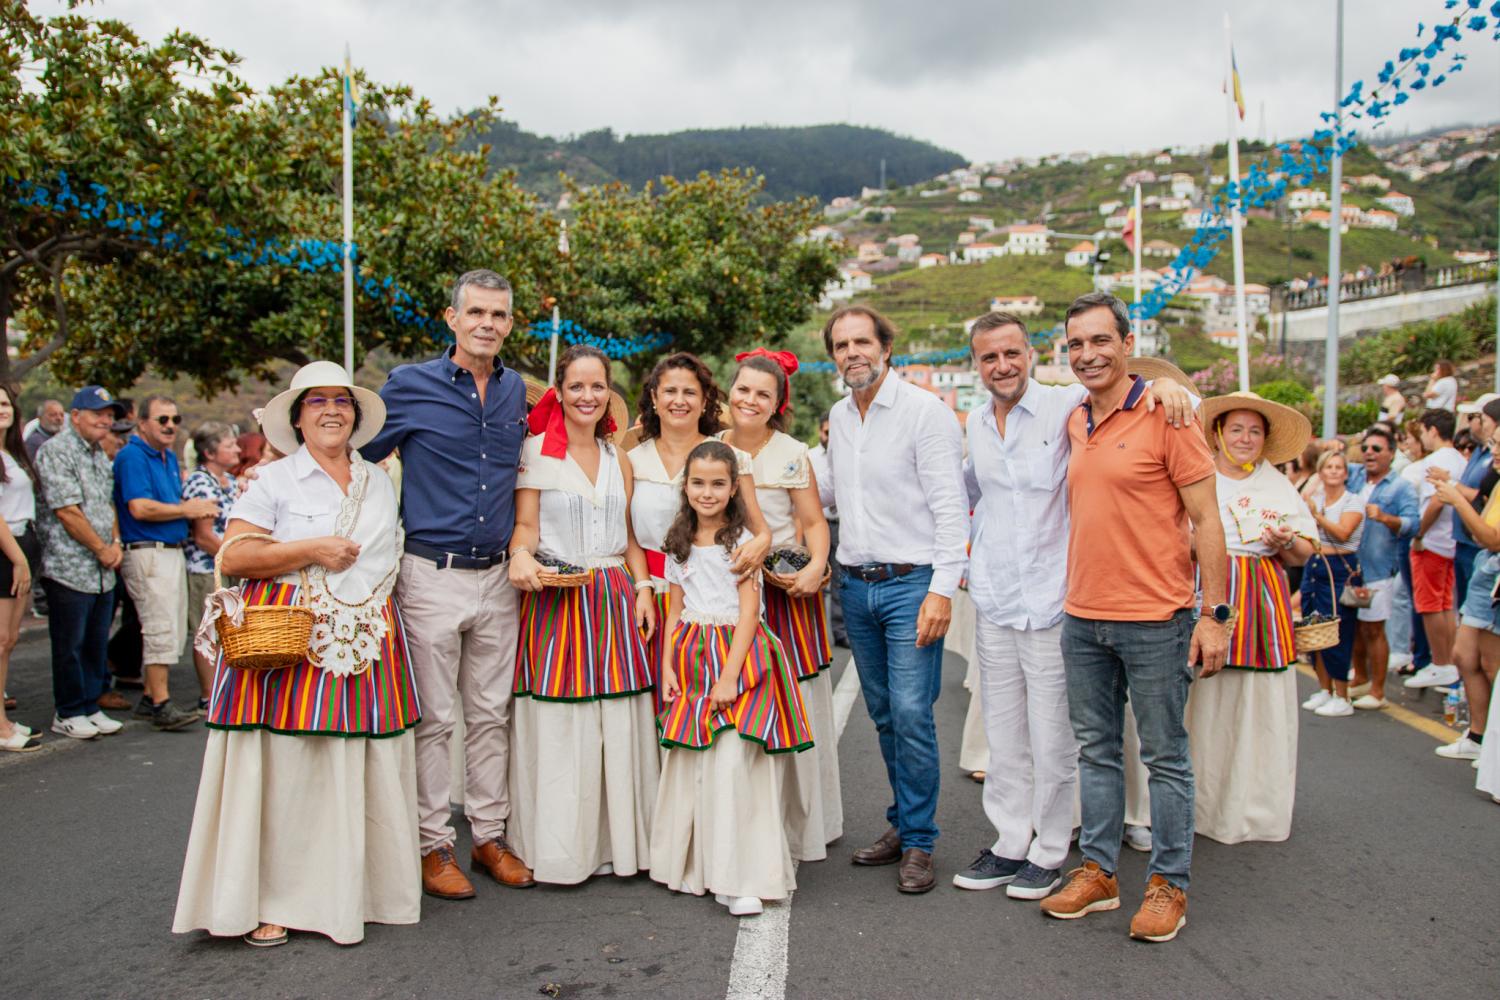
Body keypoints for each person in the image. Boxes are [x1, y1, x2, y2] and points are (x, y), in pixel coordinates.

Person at [174, 361, 420, 947]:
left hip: (366, 640)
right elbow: (233, 556)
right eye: (317, 401)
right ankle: (274, 900)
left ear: (355, 415)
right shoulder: (274, 480)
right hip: (289, 641)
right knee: (288, 774)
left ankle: (355, 893)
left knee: (355, 769)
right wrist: (310, 549)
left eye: (342, 400)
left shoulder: (379, 480)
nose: (331, 410)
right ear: (296, 417)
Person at [952, 313, 1194, 899]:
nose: (1002, 366)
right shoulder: (977, 424)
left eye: (1012, 353)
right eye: (989, 357)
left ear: (1031, 354)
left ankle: (1050, 848)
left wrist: (1168, 385)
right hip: (995, 598)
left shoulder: (1066, 405)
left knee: (1054, 736)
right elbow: (971, 491)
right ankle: (1010, 841)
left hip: (1054, 599)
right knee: (1004, 732)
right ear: (976, 365)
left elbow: (1149, 397)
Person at [1039, 293, 1227, 945]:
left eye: (1100, 340)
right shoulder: (1075, 418)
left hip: (1156, 618)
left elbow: (1207, 521)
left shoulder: (1169, 415)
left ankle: (1169, 883)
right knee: (1096, 751)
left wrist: (1215, 615)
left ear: (1126, 344)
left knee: (1165, 756)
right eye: (1076, 344)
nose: (1087, 354)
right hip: (1082, 617)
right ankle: (1099, 872)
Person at [359, 269, 534, 898]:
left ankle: (488, 837)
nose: (488, 323)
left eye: (499, 314)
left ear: (509, 323)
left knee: (490, 716)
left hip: (500, 577)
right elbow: (358, 458)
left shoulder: (517, 392)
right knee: (433, 719)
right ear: (452, 318)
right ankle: (433, 846)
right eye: (476, 312)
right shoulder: (410, 386)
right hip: (430, 573)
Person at [818, 305, 969, 895]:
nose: (852, 353)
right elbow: (826, 490)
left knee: (910, 712)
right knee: (883, 714)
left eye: (862, 341)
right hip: (855, 585)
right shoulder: (839, 416)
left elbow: (952, 508)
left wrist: (941, 590)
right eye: (841, 345)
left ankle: (921, 842)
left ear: (885, 347)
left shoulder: (925, 413)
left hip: (912, 585)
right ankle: (903, 824)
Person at [506, 346, 658, 885]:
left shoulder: (621, 458)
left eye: (597, 386)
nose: (587, 396)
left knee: (615, 719)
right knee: (561, 722)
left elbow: (632, 536)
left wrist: (643, 588)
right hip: (557, 596)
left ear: (608, 392)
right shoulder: (535, 452)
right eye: (576, 386)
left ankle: (619, 844)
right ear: (559, 391)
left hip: (614, 595)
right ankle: (561, 848)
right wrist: (520, 555)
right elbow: (526, 527)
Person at [648, 440, 812, 917]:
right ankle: (702, 867)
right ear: (686, 487)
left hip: (737, 658)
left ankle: (741, 875)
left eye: (718, 484)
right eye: (698, 483)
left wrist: (729, 677)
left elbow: (748, 614)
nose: (707, 492)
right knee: (698, 766)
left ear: (733, 488)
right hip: (691, 657)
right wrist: (667, 666)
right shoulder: (678, 541)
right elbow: (674, 610)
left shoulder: (741, 542)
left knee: (736, 764)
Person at [719, 348, 842, 862]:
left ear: (777, 404)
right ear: (730, 391)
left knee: (792, 702)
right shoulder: (712, 444)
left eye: (762, 394)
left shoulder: (792, 452)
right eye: (743, 389)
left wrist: (816, 566)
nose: (750, 400)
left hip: (784, 591)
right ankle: (740, 824)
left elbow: (813, 522)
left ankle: (797, 826)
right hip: (726, 591)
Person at [1186, 392, 1315, 844]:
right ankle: (1198, 803)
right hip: (1207, 590)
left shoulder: (1277, 485)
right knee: (1202, 701)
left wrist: (1285, 541)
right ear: (1219, 433)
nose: (1245, 438)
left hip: (1262, 598)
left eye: (1255, 431)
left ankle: (1252, 805)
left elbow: (1304, 551)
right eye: (1237, 429)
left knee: (1257, 704)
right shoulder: (1198, 474)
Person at [626, 352, 772, 681]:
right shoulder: (631, 459)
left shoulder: (728, 458)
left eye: (689, 392)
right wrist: (643, 587)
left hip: (708, 600)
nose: (679, 401)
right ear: (654, 397)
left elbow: (760, 532)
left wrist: (758, 547)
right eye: (670, 391)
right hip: (643, 595)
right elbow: (628, 536)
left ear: (705, 401)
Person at [113, 395, 210, 731]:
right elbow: (139, 507)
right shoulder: (133, 456)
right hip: (147, 549)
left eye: (175, 419)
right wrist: (187, 509)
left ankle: (150, 698)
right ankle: (161, 704)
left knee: (171, 627)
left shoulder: (166, 456)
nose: (170, 426)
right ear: (142, 423)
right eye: (162, 419)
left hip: (169, 549)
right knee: (159, 626)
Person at [36, 387, 127, 740]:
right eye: (97, 414)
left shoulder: (97, 453)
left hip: (101, 568)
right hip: (69, 566)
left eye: (109, 415)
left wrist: (115, 543)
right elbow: (67, 511)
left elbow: (106, 504)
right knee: (69, 645)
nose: (105, 421)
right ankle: (69, 710)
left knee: (94, 642)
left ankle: (90, 704)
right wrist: (101, 548)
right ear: (75, 416)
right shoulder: (56, 451)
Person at [1430, 431, 1500, 762]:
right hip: (1486, 571)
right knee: (1464, 655)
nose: (1493, 450)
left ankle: (1492, 748)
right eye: (1494, 443)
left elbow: (1492, 538)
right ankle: (1477, 736)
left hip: (1494, 574)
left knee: (1491, 665)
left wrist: (1456, 498)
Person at [1349, 426, 1419, 710]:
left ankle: (1378, 691)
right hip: (1350, 567)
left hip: (1378, 568)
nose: (1369, 453)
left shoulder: (1401, 486)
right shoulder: (1354, 477)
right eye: (1365, 448)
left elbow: (1413, 524)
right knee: (1355, 627)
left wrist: (1385, 518)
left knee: (1374, 629)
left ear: (1391, 453)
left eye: (1376, 449)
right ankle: (1361, 678)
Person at [1405, 410, 1470, 690]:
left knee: (1430, 604)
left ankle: (1441, 663)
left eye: (1422, 432)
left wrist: (1420, 533)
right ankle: (1446, 662)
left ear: (1432, 430)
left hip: (1432, 541)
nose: (1422, 438)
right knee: (1443, 603)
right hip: (1449, 541)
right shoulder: (1458, 459)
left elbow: (1436, 502)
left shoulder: (1436, 461)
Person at [1300, 451, 1366, 717]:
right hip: (1314, 565)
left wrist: (1317, 517)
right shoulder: (1314, 499)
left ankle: (1343, 694)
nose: (1334, 471)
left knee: (1338, 631)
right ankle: (1324, 688)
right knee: (1312, 627)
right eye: (1328, 467)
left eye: (1339, 467)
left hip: (1340, 568)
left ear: (1346, 473)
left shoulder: (1353, 501)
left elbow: (1343, 533)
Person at [183, 422, 241, 715]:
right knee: (208, 631)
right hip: (206, 567)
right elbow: (203, 535)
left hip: (229, 565)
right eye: (229, 445)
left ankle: (226, 689)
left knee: (229, 630)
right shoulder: (200, 482)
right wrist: (234, 558)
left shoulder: (230, 480)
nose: (237, 450)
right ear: (209, 452)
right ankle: (209, 695)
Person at [0, 384, 43, 752]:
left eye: (4, 403)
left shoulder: (12, 453)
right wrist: (17, 558)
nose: (2, 409)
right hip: (7, 549)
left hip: (22, 543)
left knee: (9, 641)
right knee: (1, 640)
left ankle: (2, 721)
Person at [808, 410, 847, 647]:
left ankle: (841, 632)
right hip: (818, 526)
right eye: (826, 432)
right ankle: (815, 634)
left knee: (840, 581)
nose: (830, 438)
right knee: (815, 580)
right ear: (819, 431)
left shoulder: (847, 455)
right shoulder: (809, 457)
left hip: (842, 527)